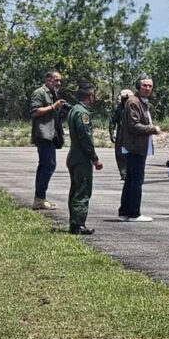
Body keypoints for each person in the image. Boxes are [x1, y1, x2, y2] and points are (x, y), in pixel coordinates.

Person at [119, 75, 161, 222]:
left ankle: (124, 212)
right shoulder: (133, 102)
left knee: (131, 180)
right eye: (145, 85)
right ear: (138, 86)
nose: (148, 88)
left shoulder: (143, 102)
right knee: (136, 180)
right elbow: (134, 125)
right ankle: (133, 213)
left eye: (150, 86)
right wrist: (152, 129)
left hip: (139, 147)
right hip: (135, 147)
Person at [66, 82, 104, 234]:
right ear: (89, 96)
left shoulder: (73, 110)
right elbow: (85, 138)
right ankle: (78, 224)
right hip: (81, 158)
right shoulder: (83, 113)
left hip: (73, 156)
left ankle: (74, 222)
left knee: (75, 190)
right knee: (82, 190)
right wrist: (95, 158)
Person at [29, 71, 67, 210]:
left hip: (52, 134)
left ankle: (40, 198)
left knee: (47, 165)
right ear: (47, 79)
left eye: (60, 81)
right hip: (43, 134)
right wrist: (53, 107)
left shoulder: (53, 93)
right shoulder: (39, 93)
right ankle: (39, 198)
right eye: (56, 80)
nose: (58, 83)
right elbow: (34, 112)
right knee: (48, 165)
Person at [109, 89, 133, 181]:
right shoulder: (118, 108)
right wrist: (112, 133)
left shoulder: (134, 107)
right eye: (124, 98)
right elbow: (112, 121)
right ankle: (123, 173)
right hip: (121, 134)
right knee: (120, 154)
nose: (126, 100)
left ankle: (130, 172)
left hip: (132, 135)